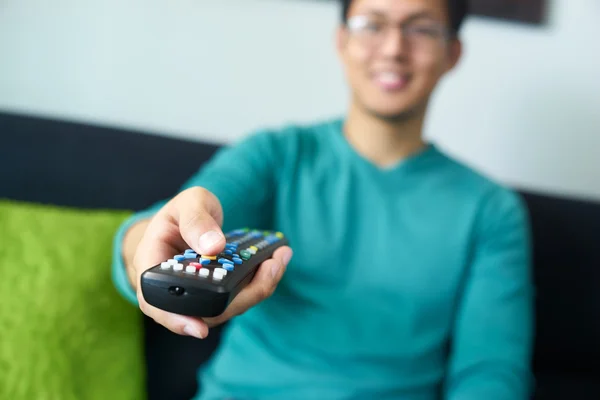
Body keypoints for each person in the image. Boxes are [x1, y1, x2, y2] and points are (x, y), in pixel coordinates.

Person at [111, 0, 534, 398]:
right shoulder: (275, 156)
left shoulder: (491, 211)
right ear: (342, 40)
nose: (393, 48)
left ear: (452, 52)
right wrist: (144, 251)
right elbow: (162, 226)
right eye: (372, 25)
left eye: (421, 29)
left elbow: (490, 373)